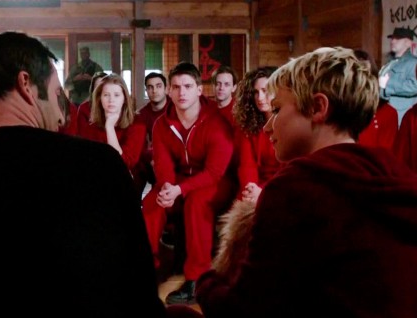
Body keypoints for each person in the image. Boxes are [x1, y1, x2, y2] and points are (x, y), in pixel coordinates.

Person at [0, 31, 167, 317]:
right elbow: (140, 297)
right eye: (55, 95)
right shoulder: (98, 166)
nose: (59, 115)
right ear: (26, 84)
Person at [196, 47, 417, 318]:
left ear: (318, 108)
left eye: (277, 109)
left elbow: (246, 308)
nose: (267, 126)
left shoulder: (295, 188)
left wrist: (207, 282)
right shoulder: (392, 171)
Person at [143, 61, 234, 305]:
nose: (181, 92)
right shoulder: (162, 124)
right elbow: (163, 165)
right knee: (152, 202)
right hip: (178, 180)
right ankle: (146, 268)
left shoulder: (216, 122)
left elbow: (215, 172)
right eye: (176, 87)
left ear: (199, 90)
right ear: (169, 91)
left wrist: (180, 190)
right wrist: (167, 188)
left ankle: (196, 278)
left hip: (214, 181)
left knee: (197, 203)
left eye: (187, 86)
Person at [231, 66, 282, 201]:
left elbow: (289, 169)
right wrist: (250, 189)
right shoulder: (250, 124)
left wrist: (263, 191)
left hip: (281, 187)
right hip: (253, 187)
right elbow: (247, 165)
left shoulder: (289, 124)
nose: (260, 97)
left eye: (265, 91)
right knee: (241, 208)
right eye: (255, 92)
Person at [78, 73, 146, 171]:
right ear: (99, 99)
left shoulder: (137, 124)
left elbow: (124, 163)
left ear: (124, 99)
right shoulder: (91, 128)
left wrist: (109, 127)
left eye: (117, 95)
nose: (111, 100)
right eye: (106, 95)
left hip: (127, 176)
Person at [133, 72, 170, 196]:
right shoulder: (141, 115)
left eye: (158, 86)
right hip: (152, 159)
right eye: (150, 87)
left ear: (166, 88)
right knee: (138, 166)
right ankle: (132, 201)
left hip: (174, 158)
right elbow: (139, 145)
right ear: (146, 91)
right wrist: (152, 157)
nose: (154, 91)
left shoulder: (176, 108)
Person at [354, 49, 398, 150]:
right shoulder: (336, 112)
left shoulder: (387, 113)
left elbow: (385, 154)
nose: (361, 81)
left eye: (366, 74)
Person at [378, 27, 417, 124]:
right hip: (384, 113)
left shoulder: (413, 62)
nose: (393, 41)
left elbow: (414, 86)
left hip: (401, 117)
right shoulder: (389, 64)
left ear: (408, 43)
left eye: (397, 38)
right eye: (392, 38)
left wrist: (387, 85)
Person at [75, 71, 108, 135]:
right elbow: (82, 135)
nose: (100, 90)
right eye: (97, 87)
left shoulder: (113, 106)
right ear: (93, 90)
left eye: (103, 87)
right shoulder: (83, 108)